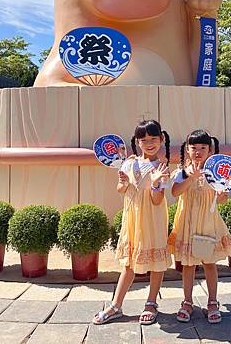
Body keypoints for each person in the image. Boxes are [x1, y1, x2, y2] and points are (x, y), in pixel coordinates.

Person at [93, 119, 172, 325]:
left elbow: (157, 201)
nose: (149, 143)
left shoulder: (162, 168)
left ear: (161, 139)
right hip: (132, 218)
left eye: (153, 138)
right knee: (129, 263)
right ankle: (116, 305)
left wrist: (155, 184)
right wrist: (123, 182)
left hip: (153, 219)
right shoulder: (128, 162)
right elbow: (121, 189)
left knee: (156, 262)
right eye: (143, 139)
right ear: (137, 142)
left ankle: (151, 303)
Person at [168, 129, 231, 324]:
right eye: (194, 147)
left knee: (209, 263)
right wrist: (190, 177)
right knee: (188, 264)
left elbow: (222, 200)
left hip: (207, 224)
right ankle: (187, 302)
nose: (198, 151)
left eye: (202, 148)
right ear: (187, 149)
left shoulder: (215, 173)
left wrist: (223, 193)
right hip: (187, 224)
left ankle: (212, 302)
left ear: (210, 150)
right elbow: (175, 192)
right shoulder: (181, 171)